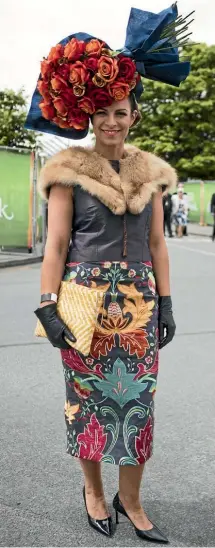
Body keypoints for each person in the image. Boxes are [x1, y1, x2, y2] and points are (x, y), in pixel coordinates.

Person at [25, 3, 192, 543]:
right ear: (89, 116)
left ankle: (133, 500)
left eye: (122, 112)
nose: (112, 122)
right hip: (80, 299)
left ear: (134, 115)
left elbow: (158, 245)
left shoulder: (152, 172)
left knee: (137, 403)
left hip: (139, 302)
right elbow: (55, 245)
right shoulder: (68, 172)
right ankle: (94, 493)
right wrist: (47, 304)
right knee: (86, 402)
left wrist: (166, 302)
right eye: (103, 113)